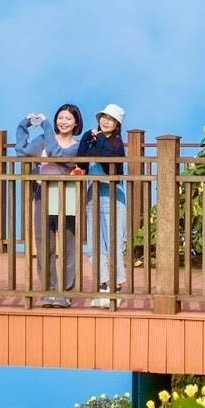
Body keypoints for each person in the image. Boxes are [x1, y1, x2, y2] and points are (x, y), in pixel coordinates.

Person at [16, 103, 83, 307]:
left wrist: (45, 127)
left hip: (67, 195)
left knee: (68, 245)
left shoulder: (77, 146)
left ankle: (65, 291)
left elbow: (56, 154)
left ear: (76, 123)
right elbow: (22, 151)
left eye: (68, 119)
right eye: (60, 118)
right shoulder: (44, 139)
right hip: (43, 195)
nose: (63, 122)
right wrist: (24, 125)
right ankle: (49, 289)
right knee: (44, 243)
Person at [78, 104, 127, 297]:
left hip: (113, 195)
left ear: (117, 124)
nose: (105, 121)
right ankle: (102, 280)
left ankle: (116, 280)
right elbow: (81, 161)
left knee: (114, 240)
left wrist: (97, 138)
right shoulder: (94, 140)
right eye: (103, 117)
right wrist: (85, 139)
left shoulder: (116, 144)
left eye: (110, 119)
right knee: (94, 240)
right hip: (93, 194)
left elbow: (108, 160)